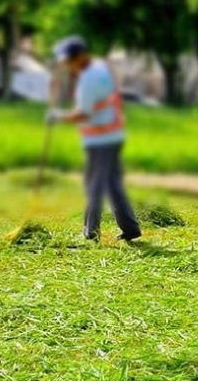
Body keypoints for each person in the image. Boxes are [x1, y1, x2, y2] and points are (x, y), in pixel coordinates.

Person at [46, 36, 142, 242]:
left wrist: (58, 116)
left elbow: (84, 113)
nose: (68, 65)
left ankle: (91, 233)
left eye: (69, 60)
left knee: (94, 185)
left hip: (101, 140)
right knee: (112, 184)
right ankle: (130, 228)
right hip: (111, 135)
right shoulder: (98, 69)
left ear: (80, 56)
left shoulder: (90, 78)